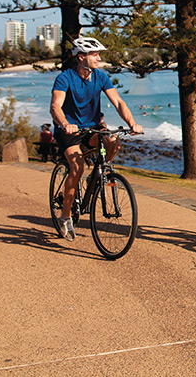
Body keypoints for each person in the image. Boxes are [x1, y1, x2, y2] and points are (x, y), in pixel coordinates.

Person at [50, 37, 143, 241]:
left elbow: (118, 102)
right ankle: (65, 217)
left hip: (92, 128)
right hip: (69, 131)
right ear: (81, 57)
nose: (99, 58)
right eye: (95, 55)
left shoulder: (101, 77)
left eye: (99, 54)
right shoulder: (65, 78)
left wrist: (132, 123)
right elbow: (56, 106)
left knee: (113, 141)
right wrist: (65, 123)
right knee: (77, 168)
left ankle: (102, 172)